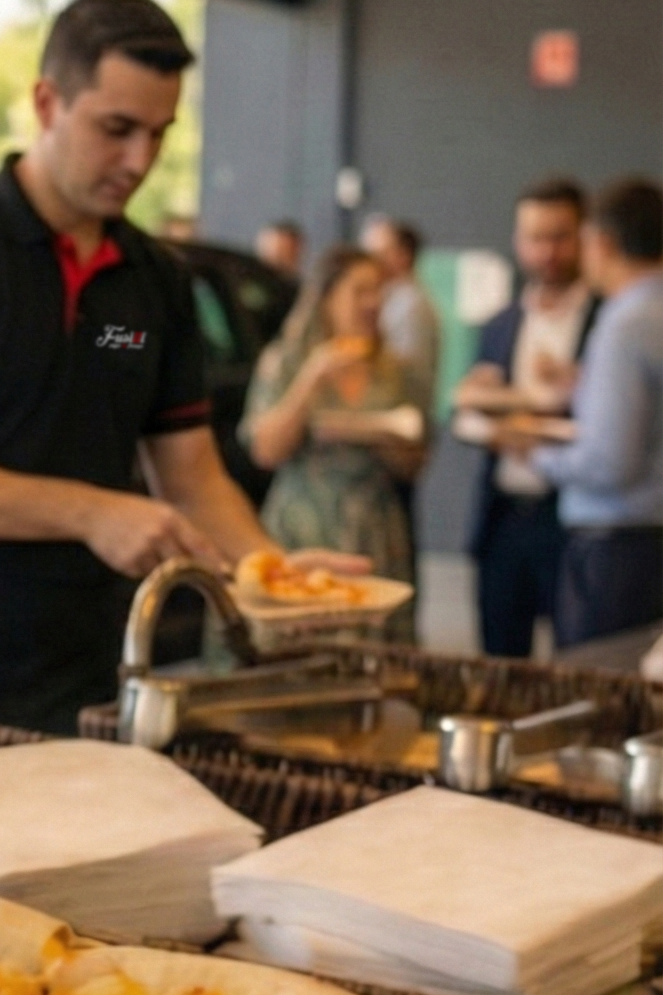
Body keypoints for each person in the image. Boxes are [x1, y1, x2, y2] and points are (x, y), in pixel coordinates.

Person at [0, 0, 350, 738]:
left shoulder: (151, 293)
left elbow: (191, 476)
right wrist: (89, 510)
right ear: (47, 102)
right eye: (117, 129)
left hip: (84, 663)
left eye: (160, 134)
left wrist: (272, 575)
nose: (139, 161)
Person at [503, 177, 663, 647]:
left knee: (601, 694)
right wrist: (582, 383)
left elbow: (610, 464)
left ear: (602, 243)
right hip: (648, 539)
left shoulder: (625, 323)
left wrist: (531, 453)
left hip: (619, 544)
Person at [452, 178, 596, 659]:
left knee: (578, 662)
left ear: (583, 237)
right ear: (518, 242)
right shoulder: (502, 322)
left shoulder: (607, 319)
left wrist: (577, 384)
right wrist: (480, 405)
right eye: (536, 238)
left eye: (560, 236)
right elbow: (468, 411)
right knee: (499, 659)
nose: (547, 252)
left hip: (573, 518)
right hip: (505, 515)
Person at [240, 245, 428, 585]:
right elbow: (265, 452)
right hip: (304, 523)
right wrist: (312, 375)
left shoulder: (393, 369)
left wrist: (385, 438)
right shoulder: (286, 361)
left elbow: (413, 466)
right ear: (327, 298)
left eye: (378, 291)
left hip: (375, 528)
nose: (373, 303)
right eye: (360, 291)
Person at [361, 215, 441, 405]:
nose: (370, 262)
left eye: (378, 253)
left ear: (403, 255)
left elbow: (404, 370)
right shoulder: (393, 298)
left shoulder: (411, 304)